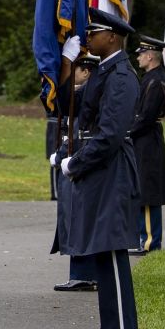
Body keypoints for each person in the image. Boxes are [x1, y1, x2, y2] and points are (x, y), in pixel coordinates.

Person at [55, 8, 141, 329]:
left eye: (94, 33)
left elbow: (110, 135)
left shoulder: (121, 76)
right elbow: (65, 104)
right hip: (100, 168)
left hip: (110, 168)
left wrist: (76, 164)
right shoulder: (104, 71)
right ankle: (114, 328)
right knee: (102, 249)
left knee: (111, 248)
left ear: (114, 37)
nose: (88, 38)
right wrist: (64, 63)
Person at [52, 51, 99, 292]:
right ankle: (82, 273)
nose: (72, 76)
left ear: (87, 71)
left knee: (78, 218)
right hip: (73, 159)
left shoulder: (90, 94)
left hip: (80, 163)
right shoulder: (81, 93)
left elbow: (81, 133)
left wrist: (64, 156)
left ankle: (83, 274)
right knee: (74, 218)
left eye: (75, 70)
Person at [130, 35, 165, 253]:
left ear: (150, 56)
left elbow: (146, 116)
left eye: (140, 54)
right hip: (145, 136)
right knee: (142, 187)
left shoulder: (156, 81)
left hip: (147, 138)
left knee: (147, 189)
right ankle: (143, 237)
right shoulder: (152, 77)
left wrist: (128, 132)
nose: (137, 58)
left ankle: (149, 241)